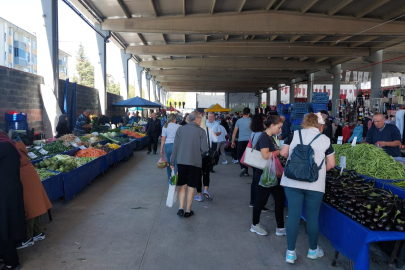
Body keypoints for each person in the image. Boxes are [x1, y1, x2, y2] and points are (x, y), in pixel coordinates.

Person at [280, 113, 335, 264]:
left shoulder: (293, 134)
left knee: (293, 215)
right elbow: (331, 164)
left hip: (292, 182)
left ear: (305, 123)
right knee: (312, 217)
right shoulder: (325, 140)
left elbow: (284, 153)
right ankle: (312, 250)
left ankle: (290, 253)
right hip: (315, 184)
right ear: (321, 126)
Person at [250, 115, 286, 237]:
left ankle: (280, 227)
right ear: (272, 126)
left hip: (271, 174)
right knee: (260, 201)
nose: (280, 130)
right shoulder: (264, 137)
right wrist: (279, 151)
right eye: (279, 127)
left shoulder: (270, 137)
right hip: (264, 176)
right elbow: (265, 155)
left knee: (280, 200)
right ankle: (255, 225)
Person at [14, 139, 52, 249]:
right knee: (35, 208)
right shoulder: (20, 148)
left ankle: (27, 238)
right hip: (30, 176)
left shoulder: (14, 151)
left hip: (24, 179)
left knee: (28, 209)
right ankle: (39, 232)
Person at [171, 112, 208, 218]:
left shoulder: (180, 129)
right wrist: (198, 155)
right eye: (200, 118)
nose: (201, 120)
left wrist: (172, 161)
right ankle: (188, 211)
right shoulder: (201, 131)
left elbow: (175, 147)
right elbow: (205, 149)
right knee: (191, 186)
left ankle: (180, 209)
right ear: (196, 119)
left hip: (181, 161)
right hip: (195, 162)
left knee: (182, 185)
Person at [0, 131, 26, 270]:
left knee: (5, 228)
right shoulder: (7, 144)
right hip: (11, 191)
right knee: (8, 225)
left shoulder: (2, 147)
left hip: (5, 195)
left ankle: (11, 263)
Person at [195, 115, 217, 202]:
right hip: (207, 155)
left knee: (197, 175)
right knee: (206, 174)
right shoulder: (209, 129)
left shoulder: (195, 130)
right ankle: (206, 190)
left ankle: (199, 195)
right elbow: (216, 139)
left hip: (196, 155)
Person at [249, 115, 265, 208]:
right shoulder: (262, 134)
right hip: (260, 159)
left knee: (254, 181)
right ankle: (258, 203)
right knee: (259, 182)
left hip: (254, 158)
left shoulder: (253, 133)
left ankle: (252, 201)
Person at [231, 107, 252, 177]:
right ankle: (246, 171)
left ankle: (243, 168)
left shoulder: (238, 121)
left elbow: (234, 132)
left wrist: (232, 142)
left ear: (243, 113)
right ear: (249, 114)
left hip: (241, 141)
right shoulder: (251, 121)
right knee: (247, 156)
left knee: (240, 155)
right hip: (249, 141)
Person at [160, 114, 180, 180]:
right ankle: (175, 177)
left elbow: (163, 139)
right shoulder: (178, 126)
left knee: (169, 162)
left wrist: (161, 149)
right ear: (174, 119)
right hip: (176, 145)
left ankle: (169, 176)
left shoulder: (165, 126)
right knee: (176, 162)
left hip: (167, 145)